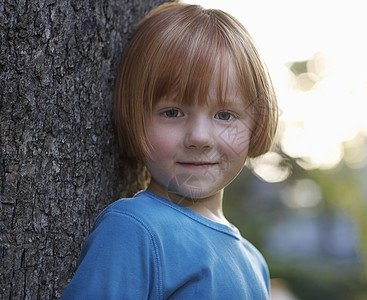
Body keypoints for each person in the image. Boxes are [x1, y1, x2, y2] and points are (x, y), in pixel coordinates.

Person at [62, 2, 278, 299]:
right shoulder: (133, 230)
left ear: (257, 123)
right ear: (134, 115)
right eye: (173, 112)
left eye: (225, 115)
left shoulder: (255, 262)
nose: (200, 137)